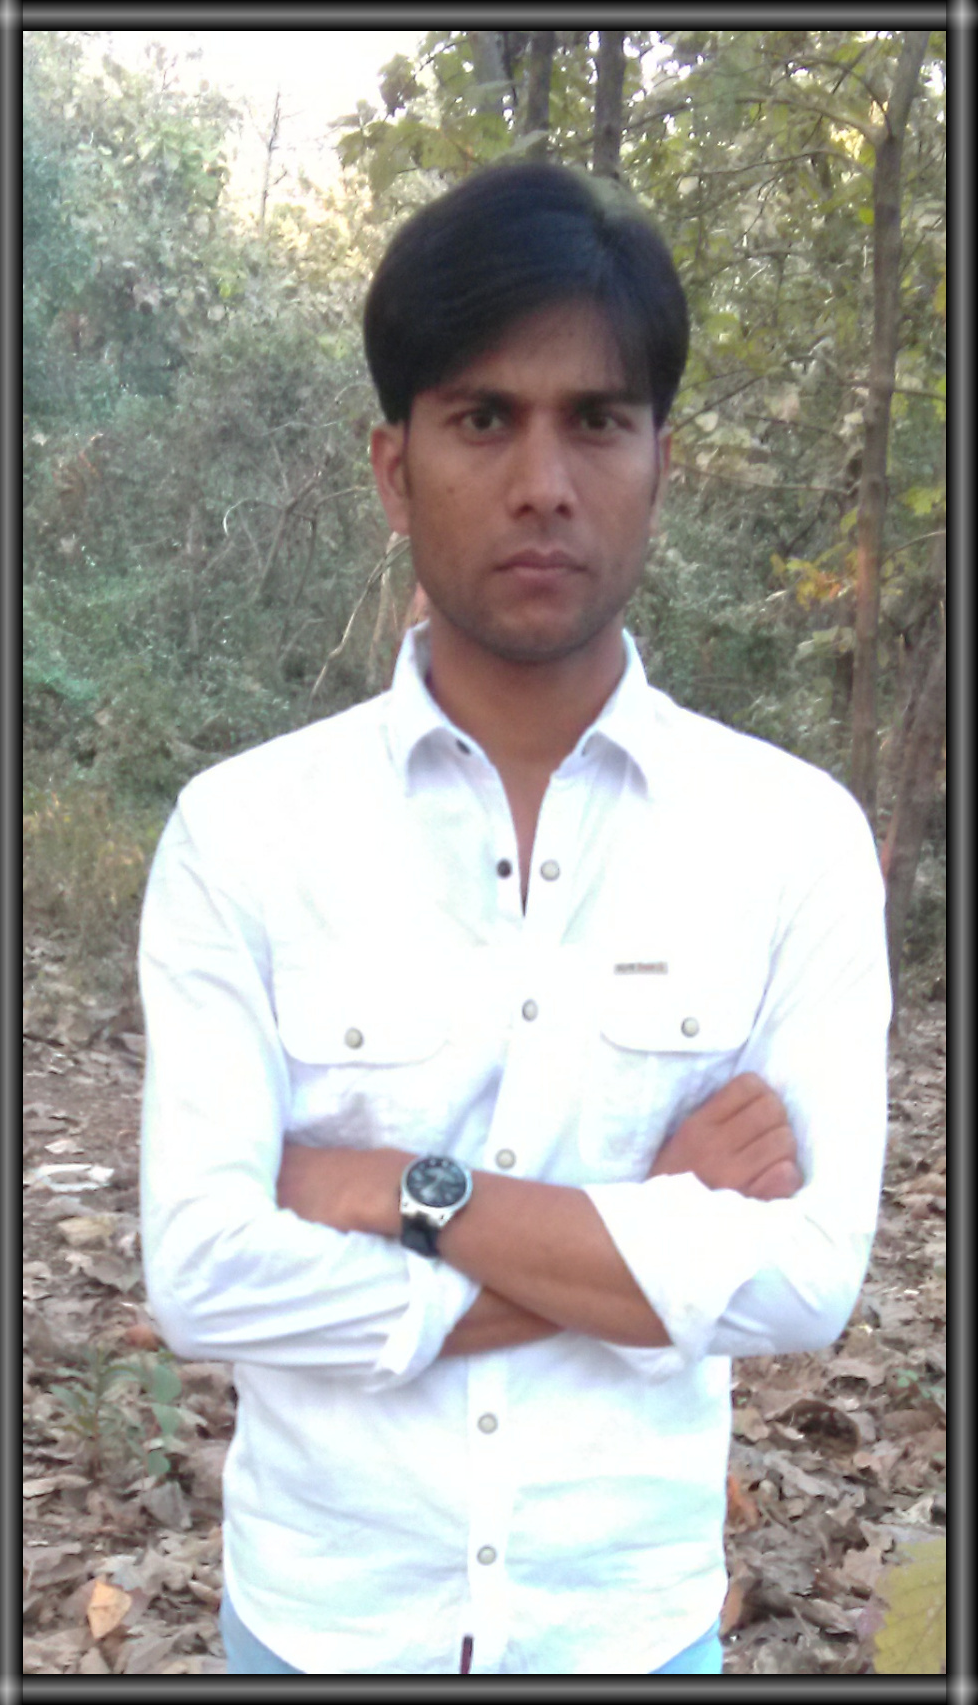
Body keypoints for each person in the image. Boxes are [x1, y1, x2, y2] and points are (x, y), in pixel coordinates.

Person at [139, 160, 891, 1677]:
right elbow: (203, 1271)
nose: (543, 479)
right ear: (393, 467)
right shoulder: (245, 832)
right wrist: (649, 1234)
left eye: (596, 419)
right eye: (484, 418)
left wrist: (395, 1189)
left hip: (628, 1633)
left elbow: (807, 1279)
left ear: (661, 462)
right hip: (319, 1629)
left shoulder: (791, 836)